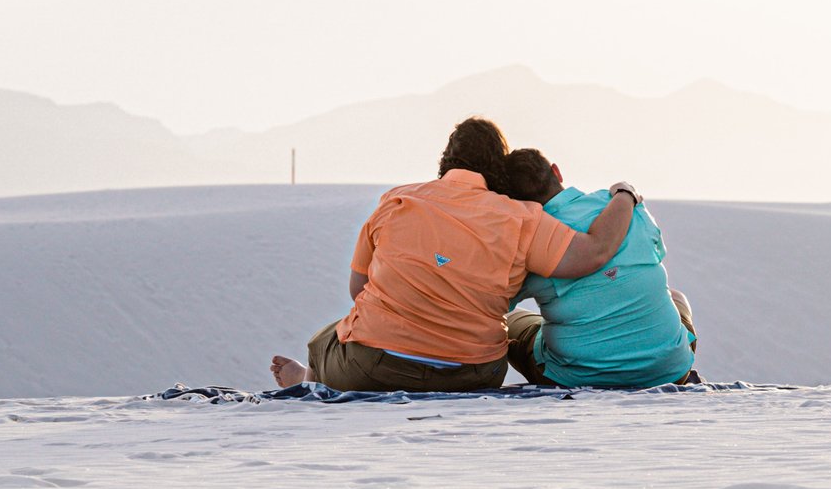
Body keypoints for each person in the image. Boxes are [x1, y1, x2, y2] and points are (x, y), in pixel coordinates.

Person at [268, 118, 642, 393]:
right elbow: (595, 252)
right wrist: (624, 195)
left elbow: (358, 289)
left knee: (323, 340)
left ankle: (308, 383)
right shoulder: (522, 218)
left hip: (374, 368)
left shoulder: (397, 200)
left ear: (445, 162)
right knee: (516, 322)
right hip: (473, 374)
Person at [493, 149, 698, 389]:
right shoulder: (625, 207)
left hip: (575, 378)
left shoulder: (526, 239)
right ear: (556, 172)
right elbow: (658, 251)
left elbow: (499, 303)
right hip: (670, 371)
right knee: (675, 297)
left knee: (511, 320)